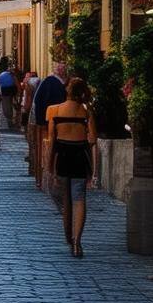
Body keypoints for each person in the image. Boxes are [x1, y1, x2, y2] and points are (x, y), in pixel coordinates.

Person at [48, 77, 98, 257]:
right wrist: (94, 171)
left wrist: (49, 168)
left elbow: (52, 142)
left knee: (66, 200)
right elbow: (92, 142)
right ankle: (77, 241)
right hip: (79, 157)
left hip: (62, 157)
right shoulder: (86, 113)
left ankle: (68, 236)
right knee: (79, 200)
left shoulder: (55, 111)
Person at [31, 62, 68, 189]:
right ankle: (49, 176)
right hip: (51, 123)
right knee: (51, 150)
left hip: (44, 122)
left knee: (44, 150)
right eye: (60, 66)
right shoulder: (53, 83)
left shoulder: (48, 82)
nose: (62, 68)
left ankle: (42, 178)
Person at [0, 58, 18, 129]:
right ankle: (11, 120)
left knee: (6, 105)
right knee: (10, 103)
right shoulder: (11, 73)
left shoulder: (0, 73)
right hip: (12, 89)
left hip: (5, 90)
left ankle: (10, 119)